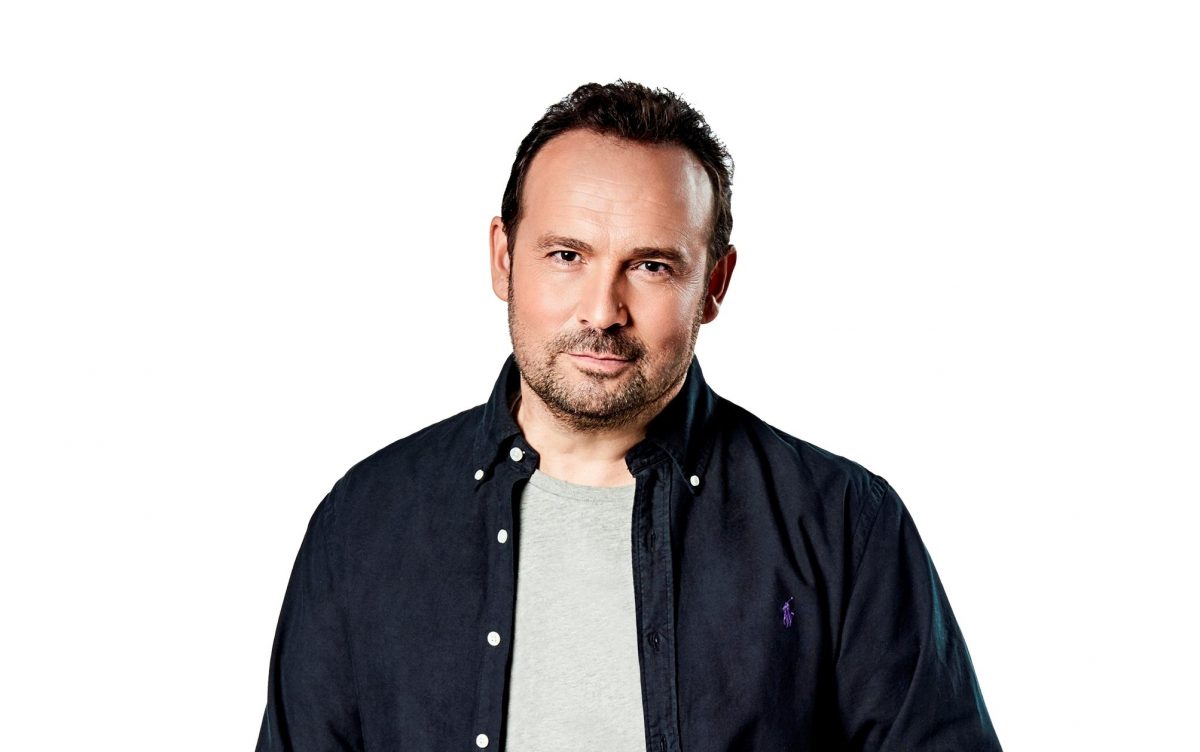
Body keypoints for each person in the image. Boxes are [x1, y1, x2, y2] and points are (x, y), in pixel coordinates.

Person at [255, 81, 1002, 751]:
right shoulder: (366, 521)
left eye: (651, 266)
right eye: (566, 255)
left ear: (714, 284)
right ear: (503, 258)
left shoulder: (843, 526)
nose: (603, 311)